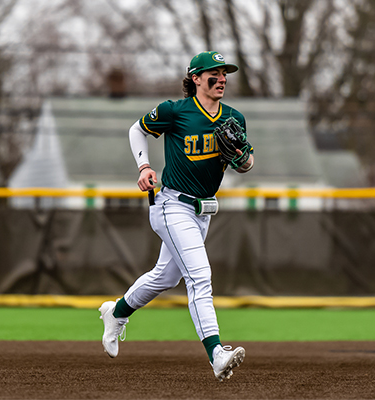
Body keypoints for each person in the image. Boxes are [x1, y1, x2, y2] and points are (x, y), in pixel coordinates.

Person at [99, 51, 254, 382]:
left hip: (203, 211)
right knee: (200, 276)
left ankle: (116, 312)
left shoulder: (234, 118)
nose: (222, 78)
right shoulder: (176, 111)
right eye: (214, 72)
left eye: (225, 73)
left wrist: (241, 157)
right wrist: (143, 166)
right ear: (196, 78)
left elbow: (247, 163)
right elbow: (136, 130)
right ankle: (216, 353)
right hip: (171, 204)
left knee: (165, 277)